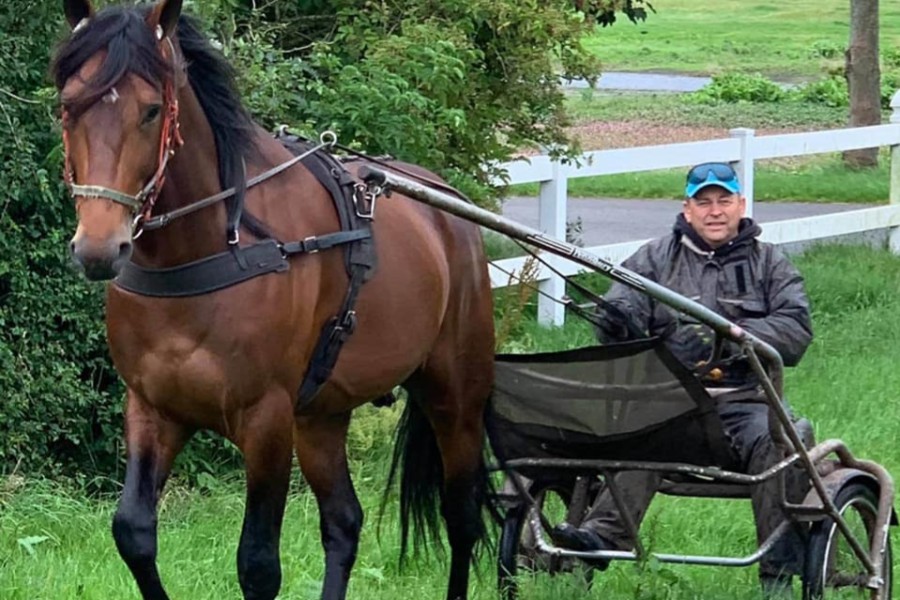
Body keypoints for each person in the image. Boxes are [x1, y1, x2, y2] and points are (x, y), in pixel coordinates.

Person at [550, 162, 814, 596]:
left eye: (724, 201)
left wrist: (733, 338)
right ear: (687, 209)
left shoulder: (771, 264)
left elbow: (797, 330)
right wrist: (618, 320)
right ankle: (600, 538)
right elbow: (617, 312)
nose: (715, 211)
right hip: (674, 400)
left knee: (781, 442)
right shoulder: (653, 258)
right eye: (704, 202)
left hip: (748, 402)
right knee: (644, 427)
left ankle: (779, 576)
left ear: (741, 206)